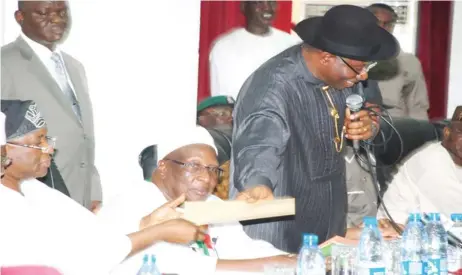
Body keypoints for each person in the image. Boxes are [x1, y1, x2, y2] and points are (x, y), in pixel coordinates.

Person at [228, 5, 399, 252]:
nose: (363, 77)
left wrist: (369, 123)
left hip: (327, 218)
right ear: (327, 57)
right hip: (279, 229)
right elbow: (259, 140)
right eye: (359, 68)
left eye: (367, 67)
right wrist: (257, 183)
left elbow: (367, 107)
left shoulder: (342, 74)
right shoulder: (272, 87)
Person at [0, 100, 205, 274]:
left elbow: (93, 236)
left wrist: (147, 224)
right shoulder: (7, 206)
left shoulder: (33, 188)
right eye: (39, 141)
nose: (50, 148)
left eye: (47, 138)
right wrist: (157, 233)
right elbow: (83, 260)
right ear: (6, 149)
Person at [97, 126, 298, 274]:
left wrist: (298, 258)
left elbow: (243, 247)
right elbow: (180, 266)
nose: (206, 178)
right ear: (163, 167)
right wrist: (276, 264)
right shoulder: (131, 203)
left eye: (213, 170)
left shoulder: (210, 204)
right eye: (194, 166)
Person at [1, 0, 101, 211]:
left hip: (79, 195)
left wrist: (92, 190)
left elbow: (84, 133)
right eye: (44, 13)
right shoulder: (4, 62)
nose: (56, 19)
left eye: (62, 12)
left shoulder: (74, 66)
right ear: (20, 18)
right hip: (34, 195)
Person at [377, 106, 462, 227]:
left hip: (436, 235)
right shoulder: (432, 159)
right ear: (447, 133)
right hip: (395, 234)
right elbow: (455, 207)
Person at [209, 0, 301, 99]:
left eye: (272, 2)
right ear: (244, 7)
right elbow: (221, 98)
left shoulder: (292, 45)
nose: (267, 8)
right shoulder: (224, 47)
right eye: (259, 2)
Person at [366, 3, 429, 120]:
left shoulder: (408, 62)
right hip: (357, 123)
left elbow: (418, 107)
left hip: (396, 124)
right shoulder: (348, 58)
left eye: (387, 24)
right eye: (376, 23)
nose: (382, 28)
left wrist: (421, 133)